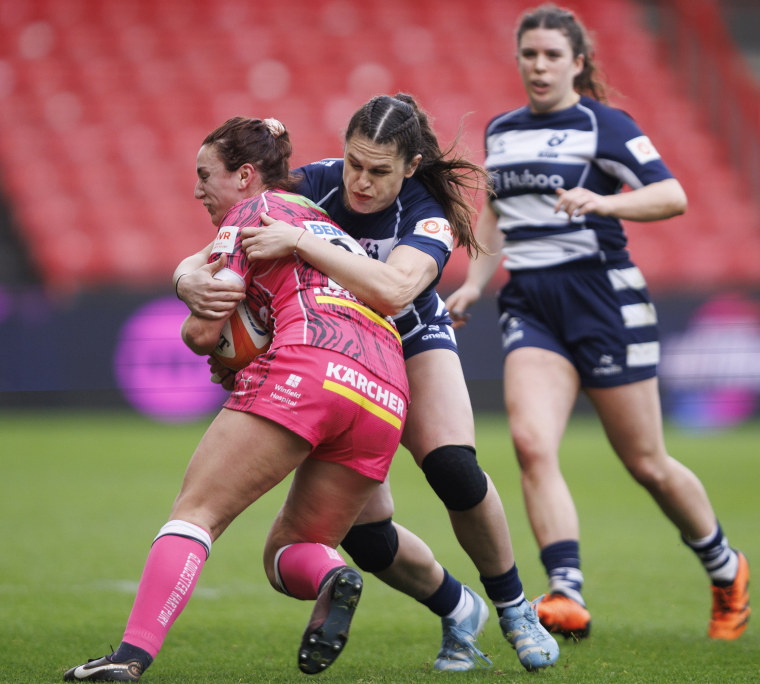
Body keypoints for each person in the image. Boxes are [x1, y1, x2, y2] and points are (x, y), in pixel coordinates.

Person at [176, 94, 560, 671]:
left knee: (452, 467)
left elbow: (394, 291)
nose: (360, 181)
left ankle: (514, 607)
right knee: (364, 536)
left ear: (409, 166)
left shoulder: (427, 212)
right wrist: (185, 279)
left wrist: (303, 241)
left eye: (379, 171)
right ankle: (459, 609)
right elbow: (219, 242)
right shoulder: (315, 184)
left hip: (411, 341)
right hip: (337, 355)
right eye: (354, 162)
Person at [63, 116, 411, 682]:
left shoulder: (251, 214)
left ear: (246, 175)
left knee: (196, 513)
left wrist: (200, 324)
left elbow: (205, 333)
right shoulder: (327, 224)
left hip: (311, 366)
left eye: (205, 175)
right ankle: (329, 577)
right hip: (386, 391)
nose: (197, 190)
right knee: (289, 552)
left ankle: (128, 659)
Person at [444, 3, 750, 641]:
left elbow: (672, 196)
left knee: (646, 462)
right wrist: (475, 283)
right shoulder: (502, 131)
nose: (539, 65)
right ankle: (566, 593)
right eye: (529, 54)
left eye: (553, 55)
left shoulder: (604, 125)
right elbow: (498, 213)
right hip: (531, 302)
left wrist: (604, 200)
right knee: (531, 443)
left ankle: (725, 568)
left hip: (603, 299)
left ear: (577, 63)